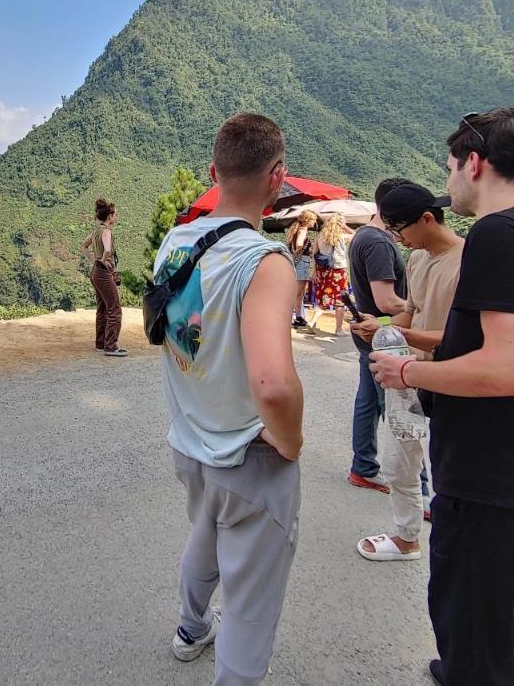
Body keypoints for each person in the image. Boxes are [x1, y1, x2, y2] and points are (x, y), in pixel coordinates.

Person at [370, 109, 514, 686]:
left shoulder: (498, 234)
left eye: (450, 168)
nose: (448, 183)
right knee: (493, 624)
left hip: (488, 474)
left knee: (471, 621)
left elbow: (512, 368)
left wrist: (406, 372)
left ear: (476, 162)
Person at [153, 113, 304, 686]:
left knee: (205, 534)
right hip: (247, 454)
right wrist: (289, 440)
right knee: (251, 602)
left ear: (214, 172)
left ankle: (190, 629)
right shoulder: (264, 262)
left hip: (189, 443)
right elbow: (272, 382)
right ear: (278, 177)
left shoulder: (176, 240)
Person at [350, 183, 462, 561]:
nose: (399, 240)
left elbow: (462, 337)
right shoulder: (417, 260)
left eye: (402, 231)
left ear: (428, 218)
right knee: (400, 463)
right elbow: (408, 313)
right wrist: (378, 324)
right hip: (408, 377)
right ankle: (407, 537)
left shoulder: (470, 262)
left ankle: (457, 549)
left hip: (451, 380)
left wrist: (396, 331)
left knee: (450, 471)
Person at [345, 180, 411, 492]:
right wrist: (418, 307)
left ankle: (364, 467)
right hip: (382, 330)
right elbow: (386, 301)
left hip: (368, 329)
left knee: (368, 400)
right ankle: (414, 485)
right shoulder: (380, 244)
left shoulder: (363, 235)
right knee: (396, 407)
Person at [81, 198, 127, 357]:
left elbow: (83, 245)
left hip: (95, 272)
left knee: (102, 308)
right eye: (115, 215)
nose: (116, 217)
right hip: (103, 272)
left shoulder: (95, 231)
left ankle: (100, 343)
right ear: (110, 216)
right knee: (114, 309)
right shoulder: (106, 231)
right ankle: (111, 346)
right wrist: (102, 260)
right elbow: (107, 249)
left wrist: (93, 260)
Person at [307, 212, 352, 336]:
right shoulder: (342, 237)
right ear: (340, 223)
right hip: (338, 272)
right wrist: (345, 227)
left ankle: (312, 321)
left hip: (323, 270)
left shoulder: (320, 235)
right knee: (340, 300)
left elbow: (314, 254)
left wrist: (314, 271)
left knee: (325, 299)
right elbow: (357, 235)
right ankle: (338, 329)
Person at [285, 210, 319, 329]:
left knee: (295, 291)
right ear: (307, 220)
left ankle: (298, 316)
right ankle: (294, 316)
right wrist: (297, 252)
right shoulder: (303, 230)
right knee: (299, 293)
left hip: (296, 262)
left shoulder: (295, 229)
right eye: (313, 219)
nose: (314, 222)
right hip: (302, 262)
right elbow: (300, 243)